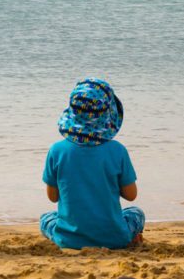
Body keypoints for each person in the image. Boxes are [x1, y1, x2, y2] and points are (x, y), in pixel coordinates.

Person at [40, 78, 145, 249]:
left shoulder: (57, 150)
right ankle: (129, 239)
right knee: (136, 213)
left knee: (46, 218)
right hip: (115, 238)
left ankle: (67, 236)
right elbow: (131, 195)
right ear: (107, 113)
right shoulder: (117, 150)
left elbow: (53, 197)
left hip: (69, 239)